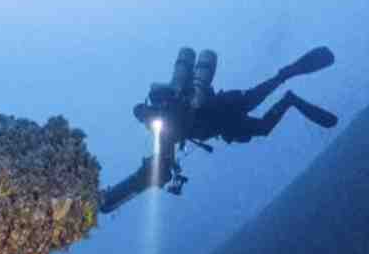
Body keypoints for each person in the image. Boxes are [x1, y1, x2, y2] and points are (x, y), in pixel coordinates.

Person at [100, 46, 338, 213]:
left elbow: (160, 168)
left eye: (146, 115)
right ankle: (289, 96)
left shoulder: (171, 109)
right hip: (227, 117)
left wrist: (118, 195)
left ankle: (286, 81)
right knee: (264, 120)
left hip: (225, 110)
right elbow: (161, 167)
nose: (148, 120)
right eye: (145, 117)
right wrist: (116, 196)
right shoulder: (164, 130)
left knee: (261, 99)